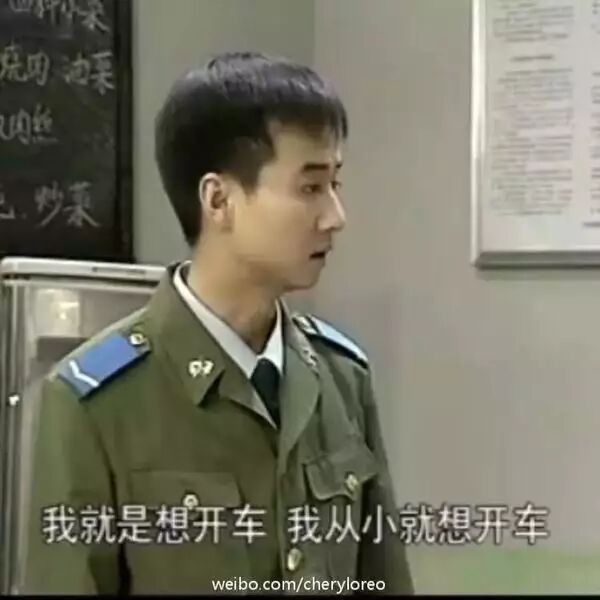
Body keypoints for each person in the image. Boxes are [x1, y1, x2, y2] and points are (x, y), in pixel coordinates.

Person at [21, 51, 414, 595]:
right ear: (218, 199)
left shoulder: (342, 376)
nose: (334, 216)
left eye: (335, 185)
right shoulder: (95, 404)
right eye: (309, 187)